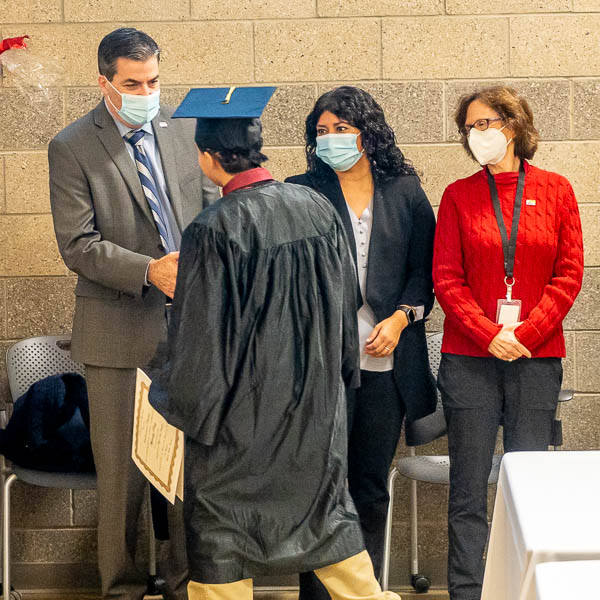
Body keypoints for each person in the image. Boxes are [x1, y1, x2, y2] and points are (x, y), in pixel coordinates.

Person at [148, 86, 402, 600]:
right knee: (333, 535)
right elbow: (346, 305)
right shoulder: (315, 207)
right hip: (313, 417)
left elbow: (200, 345)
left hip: (237, 433)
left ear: (207, 158)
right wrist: (334, 389)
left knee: (222, 549)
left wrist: (169, 403)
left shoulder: (212, 229)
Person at [48, 27, 218, 600]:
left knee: (186, 476)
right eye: (132, 83)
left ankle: (185, 584)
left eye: (153, 81)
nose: (146, 93)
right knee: (121, 480)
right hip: (117, 331)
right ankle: (120, 587)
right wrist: (150, 269)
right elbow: (77, 243)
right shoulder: (72, 146)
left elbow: (212, 211)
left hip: (190, 330)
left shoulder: (185, 131)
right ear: (104, 83)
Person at [432, 85, 584, 600]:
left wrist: (526, 333)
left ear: (513, 126)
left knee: (529, 486)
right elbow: (446, 279)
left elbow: (569, 274)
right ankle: (467, 591)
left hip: (536, 360)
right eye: (469, 128)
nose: (476, 136)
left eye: (484, 124)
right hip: (470, 360)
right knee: (469, 488)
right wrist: (490, 333)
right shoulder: (457, 195)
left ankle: (525, 590)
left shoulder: (558, 190)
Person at [286, 85, 437, 598]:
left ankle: (365, 591)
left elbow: (425, 273)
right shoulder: (300, 190)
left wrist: (399, 320)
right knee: (322, 490)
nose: (331, 140)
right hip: (322, 367)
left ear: (367, 133)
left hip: (386, 367)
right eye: (321, 132)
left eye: (342, 129)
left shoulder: (404, 190)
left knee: (370, 488)